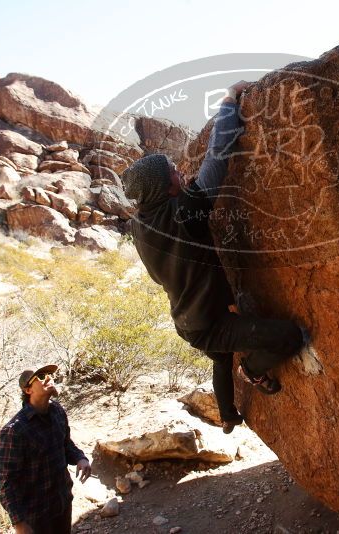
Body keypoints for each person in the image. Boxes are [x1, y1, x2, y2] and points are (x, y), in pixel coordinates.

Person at [121, 81, 306, 434]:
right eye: (173, 172)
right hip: (208, 323)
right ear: (164, 186)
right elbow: (217, 156)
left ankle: (227, 416)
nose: (181, 171)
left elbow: (161, 277)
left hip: (191, 319)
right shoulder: (184, 212)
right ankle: (252, 371)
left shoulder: (141, 226)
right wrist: (228, 99)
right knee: (289, 338)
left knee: (220, 356)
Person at [0, 364, 92, 534]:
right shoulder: (14, 431)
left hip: (62, 503)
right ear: (28, 390)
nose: (48, 378)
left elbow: (65, 444)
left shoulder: (57, 411)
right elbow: (7, 483)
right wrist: (19, 523)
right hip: (36, 515)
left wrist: (80, 458)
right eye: (40, 377)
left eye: (49, 374)